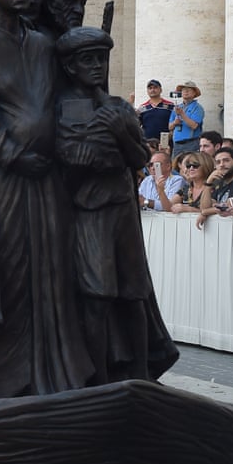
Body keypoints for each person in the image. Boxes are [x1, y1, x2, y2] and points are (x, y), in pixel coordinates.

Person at [0, 0, 94, 400]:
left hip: (46, 177)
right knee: (13, 270)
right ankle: (6, 374)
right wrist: (15, 155)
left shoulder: (42, 45)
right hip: (6, 178)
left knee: (53, 269)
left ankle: (55, 370)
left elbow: (59, 103)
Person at [53, 25, 178, 383]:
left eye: (101, 59)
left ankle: (139, 373)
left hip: (122, 209)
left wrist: (120, 133)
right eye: (87, 60)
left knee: (134, 292)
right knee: (98, 294)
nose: (96, 66)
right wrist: (96, 148)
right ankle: (98, 377)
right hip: (90, 210)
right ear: (70, 67)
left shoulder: (118, 106)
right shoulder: (65, 108)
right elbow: (69, 158)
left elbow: (139, 157)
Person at [196, 146, 233, 228]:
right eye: (218, 162)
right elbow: (204, 207)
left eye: (226, 160)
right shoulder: (220, 184)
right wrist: (208, 182)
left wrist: (205, 212)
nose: (222, 165)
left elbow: (230, 206)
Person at [169, 80, 204, 154]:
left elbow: (194, 126)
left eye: (189, 90)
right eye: (184, 90)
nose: (186, 91)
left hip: (191, 143)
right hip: (177, 144)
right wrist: (175, 123)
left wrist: (182, 114)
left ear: (194, 93)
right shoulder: (177, 107)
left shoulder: (197, 108)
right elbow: (170, 127)